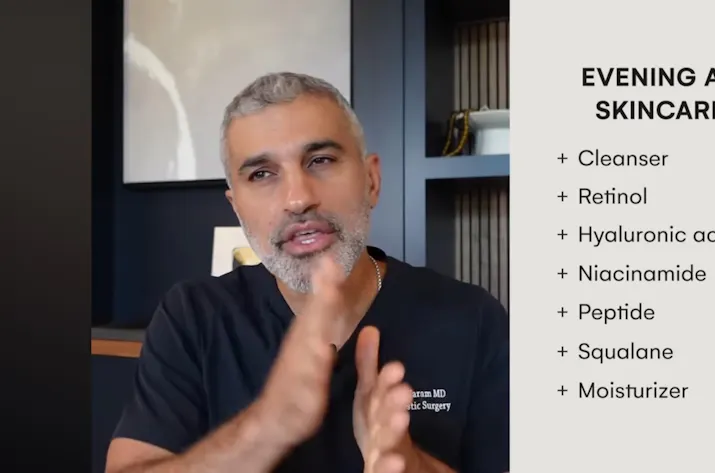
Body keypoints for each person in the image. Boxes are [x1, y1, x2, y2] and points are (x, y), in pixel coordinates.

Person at [105, 72, 510, 473]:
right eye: (262, 174)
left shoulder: (472, 318)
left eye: (321, 160)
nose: (298, 199)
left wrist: (413, 467)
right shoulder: (193, 317)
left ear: (371, 180)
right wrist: (265, 429)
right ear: (236, 207)